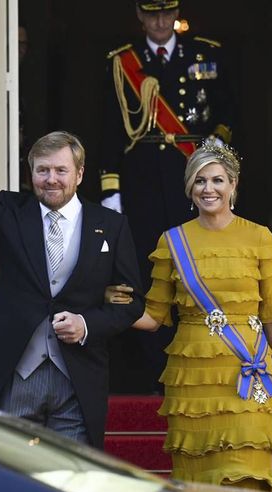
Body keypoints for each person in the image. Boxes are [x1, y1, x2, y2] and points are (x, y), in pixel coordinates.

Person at [0, 97, 144, 449]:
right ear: (31, 174)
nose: (51, 179)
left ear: (80, 173)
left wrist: (88, 325)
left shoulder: (111, 225)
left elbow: (130, 302)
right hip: (15, 373)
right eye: (42, 170)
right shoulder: (9, 214)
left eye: (61, 171)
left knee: (71, 481)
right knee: (8, 474)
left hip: (77, 378)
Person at [105, 140, 272, 492]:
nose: (208, 189)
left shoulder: (259, 237)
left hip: (249, 374)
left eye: (217, 180)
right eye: (199, 181)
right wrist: (110, 303)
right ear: (189, 188)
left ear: (233, 185)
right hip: (192, 381)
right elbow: (153, 317)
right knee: (198, 488)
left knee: (248, 478)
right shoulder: (172, 241)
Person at [100, 0, 239, 393]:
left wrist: (216, 143)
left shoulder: (204, 53)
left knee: (197, 269)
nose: (161, 22)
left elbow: (229, 111)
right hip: (142, 183)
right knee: (147, 274)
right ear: (140, 16)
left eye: (167, 13)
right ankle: (152, 370)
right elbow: (109, 129)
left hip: (194, 182)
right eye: (153, 13)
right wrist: (111, 189)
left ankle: (198, 363)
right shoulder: (121, 62)